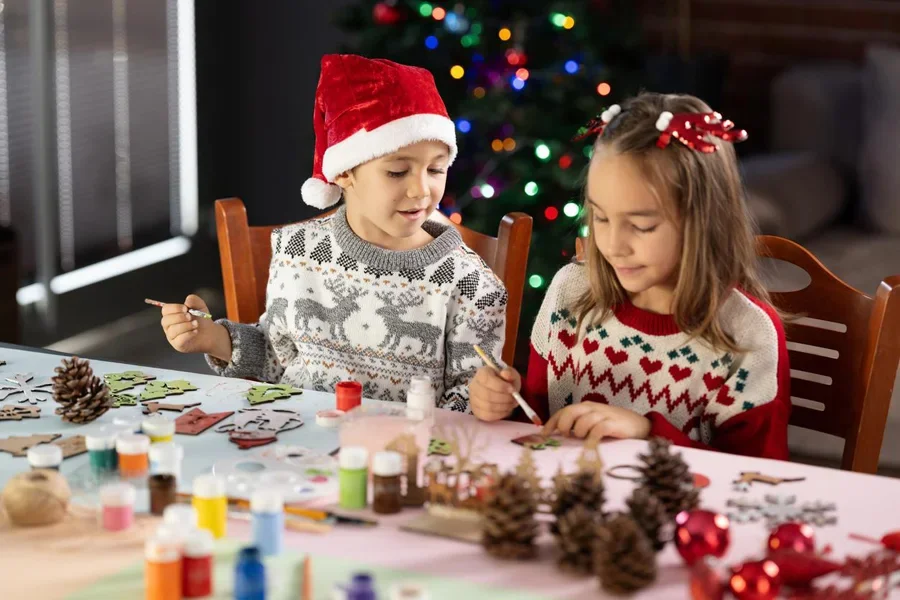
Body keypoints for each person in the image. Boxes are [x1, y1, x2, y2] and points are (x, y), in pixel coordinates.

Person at [160, 54, 507, 411]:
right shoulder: (296, 250)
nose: (421, 190)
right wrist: (211, 337)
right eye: (397, 172)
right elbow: (274, 355)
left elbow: (470, 398)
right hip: (300, 445)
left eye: (436, 169)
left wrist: (488, 399)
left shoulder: (472, 285)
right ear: (343, 172)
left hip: (404, 456)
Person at [469, 92, 789, 458]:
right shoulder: (570, 293)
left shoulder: (747, 335)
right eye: (600, 218)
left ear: (704, 223)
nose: (613, 244)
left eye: (640, 225)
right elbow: (539, 427)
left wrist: (647, 433)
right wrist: (504, 404)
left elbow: (752, 480)